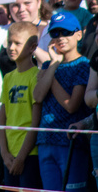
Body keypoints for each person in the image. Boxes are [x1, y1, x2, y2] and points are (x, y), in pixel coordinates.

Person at [34, 11, 90, 190]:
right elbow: (37, 96)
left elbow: (71, 106)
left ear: (79, 34)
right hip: (45, 141)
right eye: (55, 33)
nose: (60, 37)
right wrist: (53, 65)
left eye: (66, 32)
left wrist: (52, 71)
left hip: (71, 143)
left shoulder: (83, 65)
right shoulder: (48, 65)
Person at [0, 21, 41, 188]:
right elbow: (2, 118)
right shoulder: (8, 77)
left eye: (17, 43)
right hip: (9, 154)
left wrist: (22, 157)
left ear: (32, 47)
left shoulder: (36, 76)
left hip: (30, 154)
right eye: (9, 42)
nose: (11, 47)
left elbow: (35, 122)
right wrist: (4, 153)